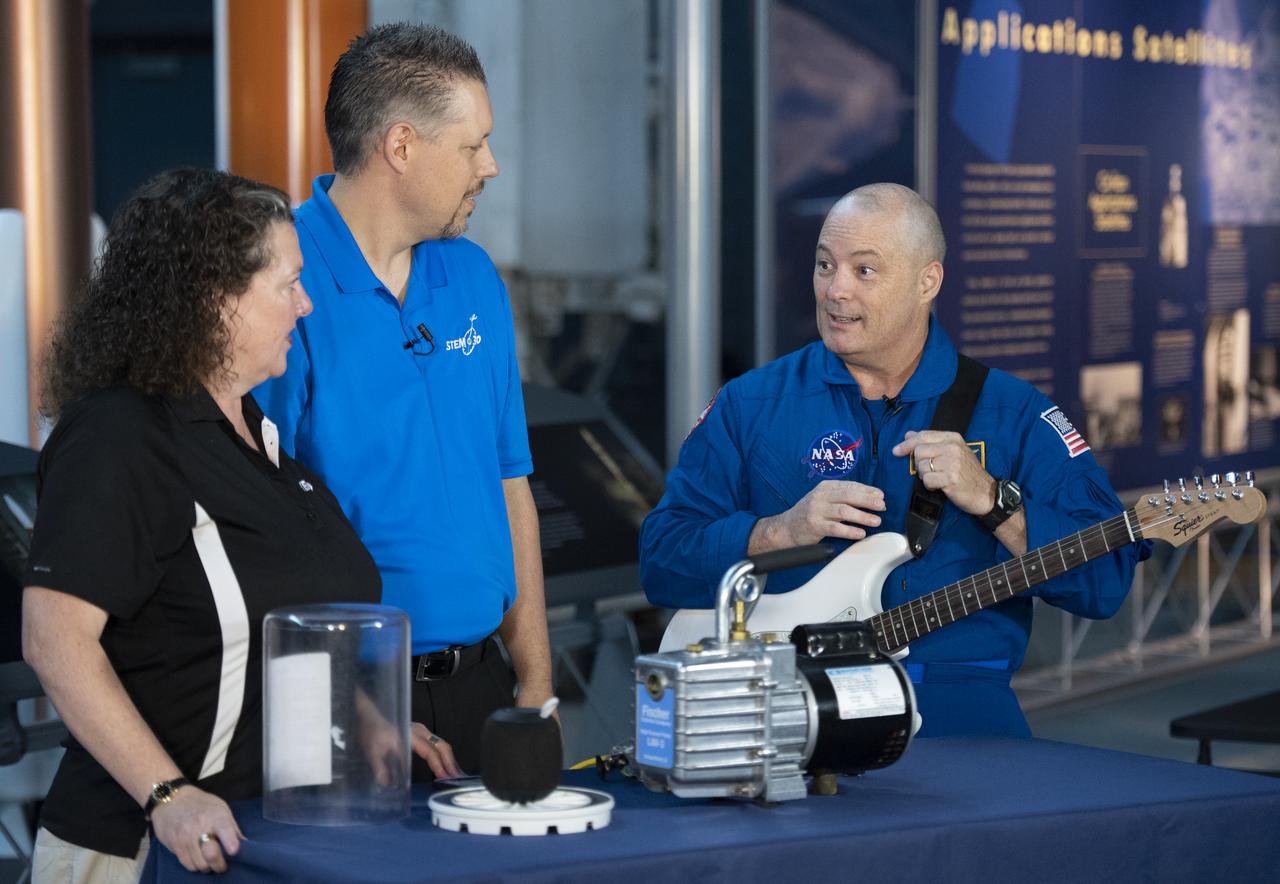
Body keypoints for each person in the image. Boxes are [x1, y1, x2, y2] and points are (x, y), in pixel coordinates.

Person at [639, 183, 1144, 738]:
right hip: (792, 711)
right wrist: (777, 531)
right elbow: (662, 562)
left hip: (961, 712)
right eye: (824, 265)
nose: (835, 291)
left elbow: (1104, 584)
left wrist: (996, 503)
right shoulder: (751, 404)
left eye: (865, 271)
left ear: (928, 281)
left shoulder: (1015, 413)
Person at [20, 169, 382, 880]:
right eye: (288, 284)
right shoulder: (120, 435)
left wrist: (366, 719)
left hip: (258, 839)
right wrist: (168, 794)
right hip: (137, 847)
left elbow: (280, 619)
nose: (306, 305)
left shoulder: (255, 431)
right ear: (218, 301)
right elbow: (54, 640)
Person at [254, 23, 552, 778]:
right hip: (348, 694)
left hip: (487, 688)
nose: (490, 166)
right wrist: (354, 700)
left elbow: (509, 482)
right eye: (472, 145)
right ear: (401, 146)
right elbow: (253, 529)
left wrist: (539, 684)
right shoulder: (280, 279)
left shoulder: (474, 275)